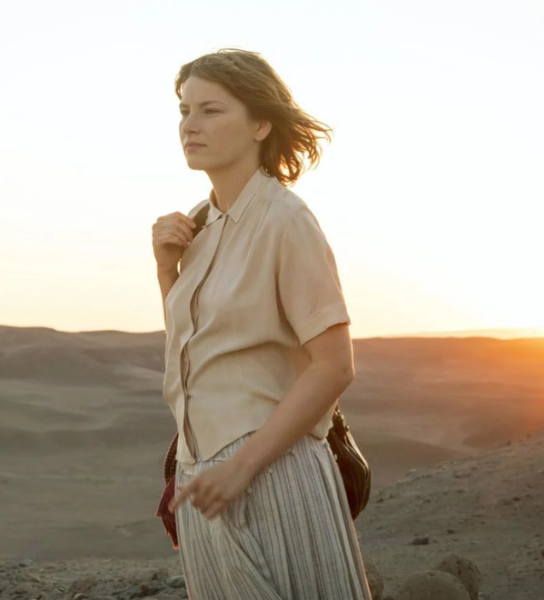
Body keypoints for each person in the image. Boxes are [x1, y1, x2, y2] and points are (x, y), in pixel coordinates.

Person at [152, 49, 371, 599]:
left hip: (271, 470)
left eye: (210, 110)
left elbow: (334, 366)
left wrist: (242, 468)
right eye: (184, 111)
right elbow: (194, 353)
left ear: (260, 124)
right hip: (202, 481)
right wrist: (166, 269)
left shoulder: (285, 219)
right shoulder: (197, 225)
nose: (190, 125)